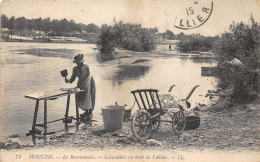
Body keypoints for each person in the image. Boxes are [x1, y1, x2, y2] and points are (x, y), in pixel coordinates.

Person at [65, 54, 95, 119]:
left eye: (78, 62)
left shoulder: (86, 67)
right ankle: (86, 112)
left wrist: (79, 87)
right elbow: (73, 78)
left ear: (81, 61)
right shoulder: (75, 68)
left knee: (88, 96)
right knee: (81, 97)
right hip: (81, 83)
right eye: (76, 62)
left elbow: (84, 77)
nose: (77, 63)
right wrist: (68, 80)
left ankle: (89, 112)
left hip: (88, 82)